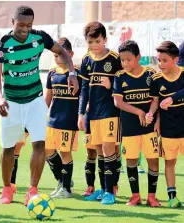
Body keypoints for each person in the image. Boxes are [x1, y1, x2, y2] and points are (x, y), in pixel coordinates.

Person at [0, 5, 79, 205]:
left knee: (39, 144)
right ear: (12, 22)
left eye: (29, 25)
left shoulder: (40, 38)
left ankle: (32, 190)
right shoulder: (2, 44)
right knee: (8, 147)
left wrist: (72, 73)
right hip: (11, 102)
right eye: (21, 24)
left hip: (35, 101)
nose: (25, 29)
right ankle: (6, 189)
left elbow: (63, 52)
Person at [78, 21, 122, 205]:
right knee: (99, 151)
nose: (94, 46)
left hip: (110, 112)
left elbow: (124, 83)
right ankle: (104, 189)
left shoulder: (114, 58)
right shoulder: (86, 60)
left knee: (108, 148)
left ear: (105, 39)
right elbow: (83, 89)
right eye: (90, 42)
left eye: (97, 41)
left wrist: (112, 85)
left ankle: (110, 191)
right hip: (93, 114)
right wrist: (81, 113)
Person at [113, 40, 161, 207]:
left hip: (149, 127)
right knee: (131, 160)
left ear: (138, 57)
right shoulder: (120, 76)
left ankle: (152, 197)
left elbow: (156, 100)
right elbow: (118, 103)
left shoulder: (150, 74)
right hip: (129, 128)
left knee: (153, 160)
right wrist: (139, 112)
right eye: (122, 60)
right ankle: (135, 196)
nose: (125, 63)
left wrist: (150, 114)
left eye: (128, 59)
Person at [45, 37, 82, 199]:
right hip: (53, 120)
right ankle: (62, 180)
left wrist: (82, 116)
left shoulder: (77, 74)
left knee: (65, 152)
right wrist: (40, 116)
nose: (58, 58)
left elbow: (83, 97)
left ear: (70, 54)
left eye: (60, 55)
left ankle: (66, 189)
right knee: (47, 150)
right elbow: (48, 98)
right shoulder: (52, 73)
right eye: (55, 55)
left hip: (69, 121)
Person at [148, 41, 184, 208]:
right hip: (168, 129)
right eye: (158, 60)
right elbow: (155, 102)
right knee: (170, 162)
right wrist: (154, 116)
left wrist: (172, 98)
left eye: (164, 60)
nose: (160, 64)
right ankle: (172, 197)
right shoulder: (155, 79)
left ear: (175, 60)